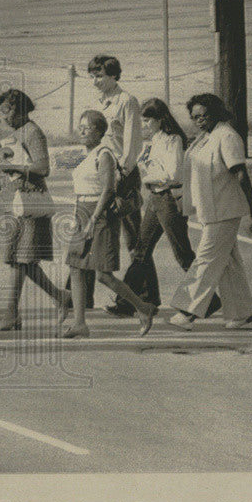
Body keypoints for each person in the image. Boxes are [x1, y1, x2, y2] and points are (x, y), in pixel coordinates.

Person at [0, 88, 70, 331]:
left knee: (22, 261)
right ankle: (56, 298)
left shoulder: (33, 133)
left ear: (18, 109)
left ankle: (16, 313)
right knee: (21, 261)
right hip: (16, 203)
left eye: (5, 111)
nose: (3, 116)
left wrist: (17, 166)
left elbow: (43, 168)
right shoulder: (16, 134)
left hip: (31, 202)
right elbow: (4, 172)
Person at [168, 93, 252, 331]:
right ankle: (244, 314)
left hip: (225, 210)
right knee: (227, 263)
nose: (200, 120)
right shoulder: (204, 138)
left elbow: (241, 174)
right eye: (195, 117)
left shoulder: (227, 136)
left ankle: (188, 311)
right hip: (208, 210)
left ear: (216, 113)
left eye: (204, 115)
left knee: (206, 258)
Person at [120, 98, 221, 317]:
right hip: (155, 200)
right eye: (142, 121)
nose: (144, 125)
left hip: (169, 201)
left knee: (183, 255)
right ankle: (127, 301)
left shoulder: (173, 140)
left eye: (147, 120)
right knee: (140, 251)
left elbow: (174, 175)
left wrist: (149, 179)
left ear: (160, 119)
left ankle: (210, 299)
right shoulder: (154, 140)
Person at [62, 110, 157, 339]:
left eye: (88, 127)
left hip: (100, 215)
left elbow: (108, 190)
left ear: (100, 132)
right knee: (76, 267)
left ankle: (143, 308)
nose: (82, 131)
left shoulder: (104, 154)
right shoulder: (86, 154)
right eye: (81, 126)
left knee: (104, 274)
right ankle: (79, 324)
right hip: (81, 211)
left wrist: (93, 219)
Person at [85, 55, 148, 314]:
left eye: (100, 76)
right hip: (104, 171)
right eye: (93, 76)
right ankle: (144, 295)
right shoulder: (98, 103)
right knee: (99, 230)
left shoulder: (126, 101)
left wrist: (123, 172)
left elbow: (133, 142)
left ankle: (139, 298)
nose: (96, 81)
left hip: (123, 174)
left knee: (133, 239)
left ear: (113, 75)